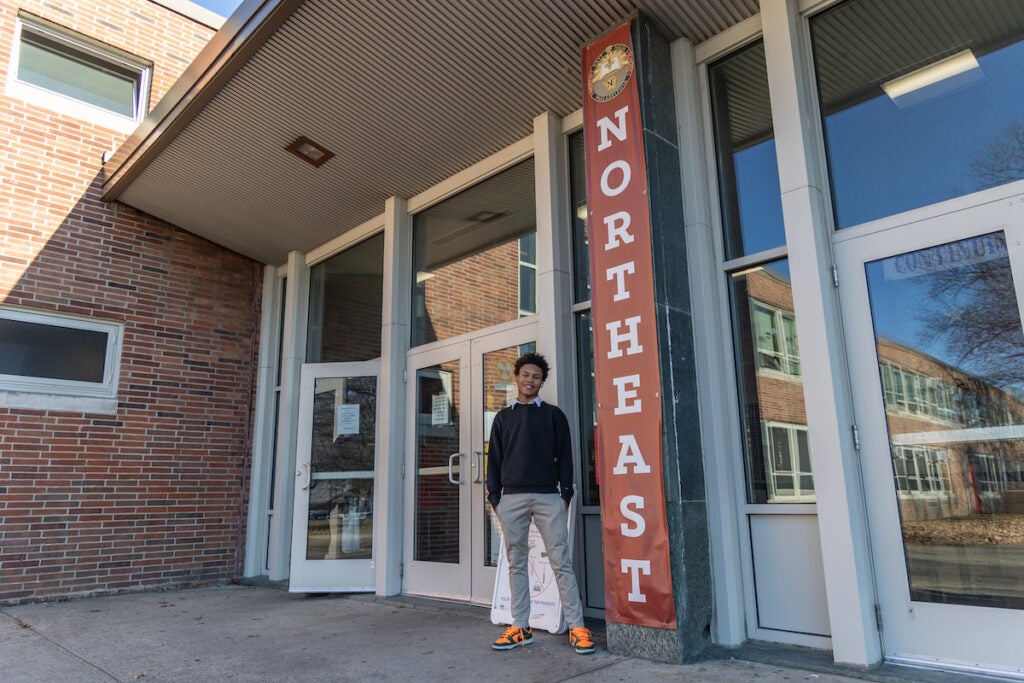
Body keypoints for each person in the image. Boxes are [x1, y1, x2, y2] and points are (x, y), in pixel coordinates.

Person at [486, 352, 596, 655]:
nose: (530, 380)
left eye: (536, 376)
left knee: (561, 562)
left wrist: (565, 496)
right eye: (525, 375)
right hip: (511, 499)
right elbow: (493, 461)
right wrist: (495, 499)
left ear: (541, 381)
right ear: (517, 377)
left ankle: (577, 628)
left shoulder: (553, 415)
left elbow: (566, 459)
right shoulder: (503, 418)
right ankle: (520, 626)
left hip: (549, 497)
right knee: (516, 563)